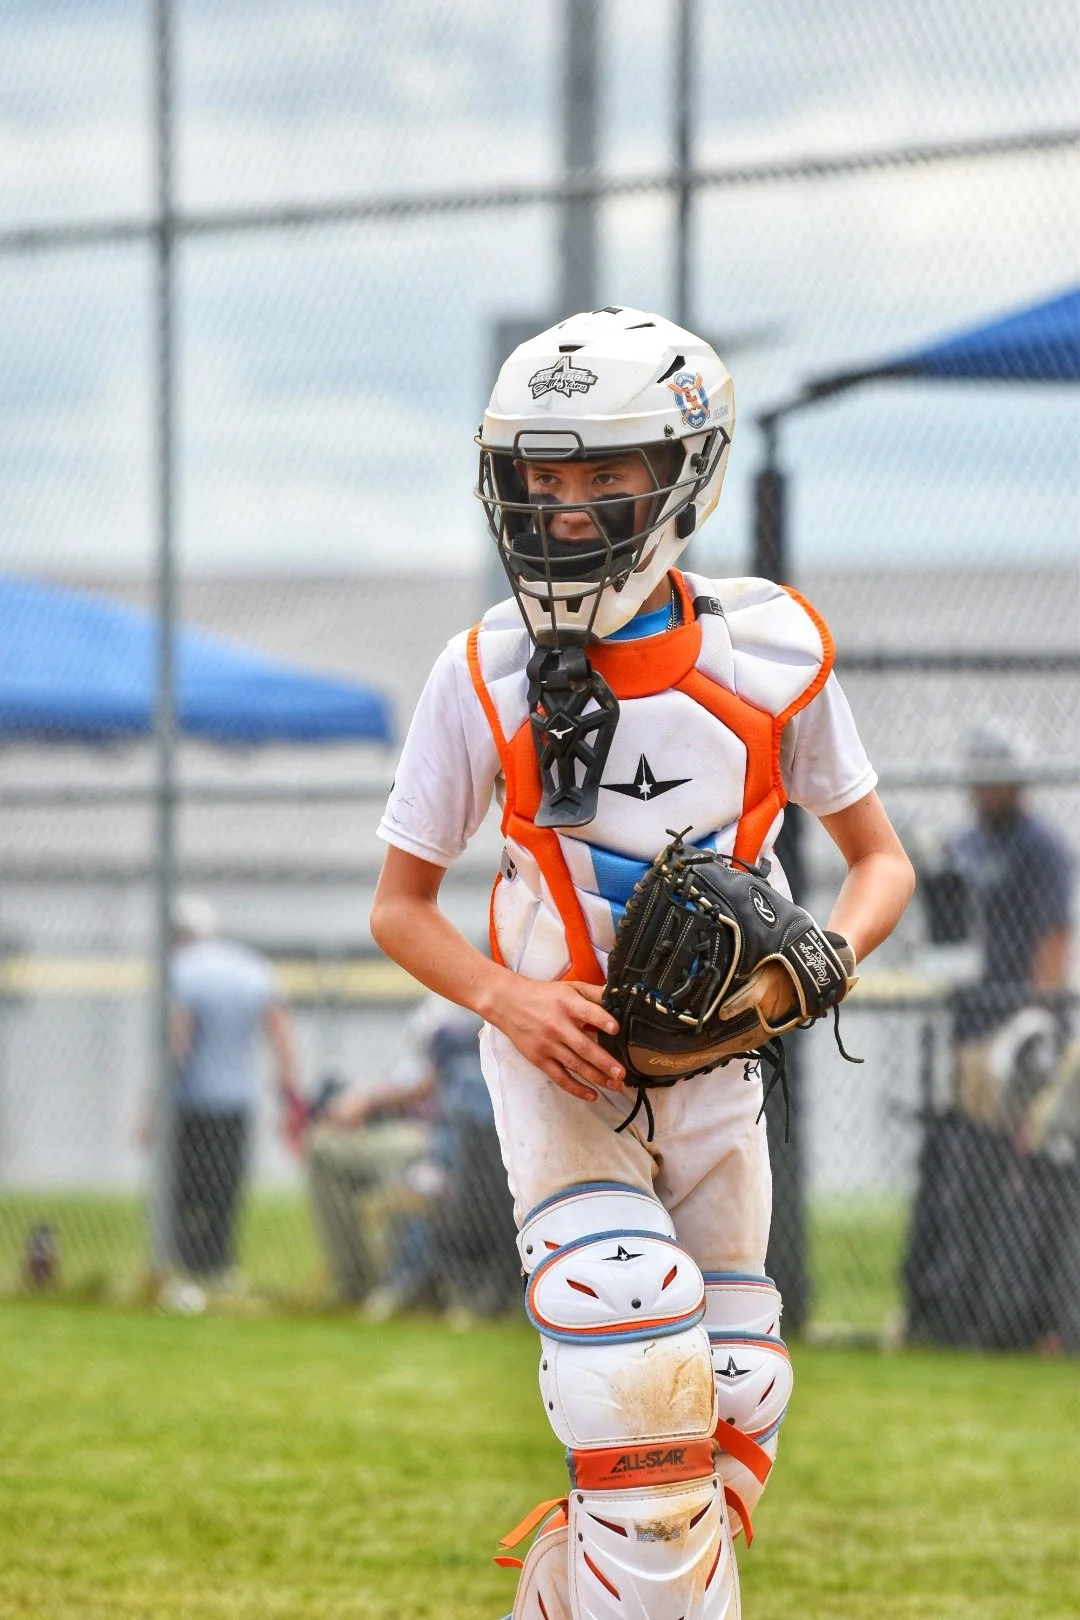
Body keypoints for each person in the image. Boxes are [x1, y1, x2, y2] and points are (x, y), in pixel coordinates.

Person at [369, 307, 915, 1617]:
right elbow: (401, 907)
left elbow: (882, 862)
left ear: (683, 475)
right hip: (557, 1076)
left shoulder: (774, 651)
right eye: (538, 478)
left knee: (728, 1393)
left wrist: (809, 969)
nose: (563, 510)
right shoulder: (484, 672)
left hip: (718, 1074)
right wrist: (510, 999)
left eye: (600, 475)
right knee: (629, 1327)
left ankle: (569, 1589)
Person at [904, 721, 1075, 1349]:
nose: (982, 790)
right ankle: (962, 1303)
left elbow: (1054, 937)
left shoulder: (1043, 847)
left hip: (1018, 1030)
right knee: (967, 1162)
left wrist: (1036, 1019)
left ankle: (1025, 1314)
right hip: (969, 1028)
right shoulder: (965, 844)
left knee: (1020, 1166)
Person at [306, 996, 519, 1317]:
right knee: (326, 1149)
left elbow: (430, 1084)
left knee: (425, 1179)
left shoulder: (467, 1035)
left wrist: (368, 1100)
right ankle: (358, 1281)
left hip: (439, 1146)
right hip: (425, 1141)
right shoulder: (440, 1023)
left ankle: (403, 1284)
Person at [151, 894, 302, 1291]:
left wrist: (154, 1106)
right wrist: (288, 1096)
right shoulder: (252, 968)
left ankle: (181, 1268)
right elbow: (280, 1035)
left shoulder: (181, 970)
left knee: (183, 1189)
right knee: (224, 1191)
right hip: (237, 1103)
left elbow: (178, 1044)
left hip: (191, 1105)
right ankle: (218, 1267)